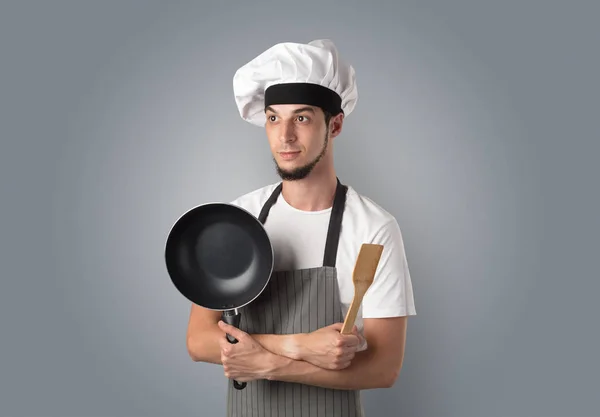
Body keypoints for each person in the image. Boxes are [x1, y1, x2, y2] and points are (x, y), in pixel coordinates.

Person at [186, 39, 417, 417]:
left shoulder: (374, 229)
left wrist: (271, 365)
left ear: (336, 124)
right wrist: (299, 345)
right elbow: (198, 339)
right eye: (274, 118)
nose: (285, 136)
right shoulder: (237, 219)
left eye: (303, 118)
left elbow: (384, 367)